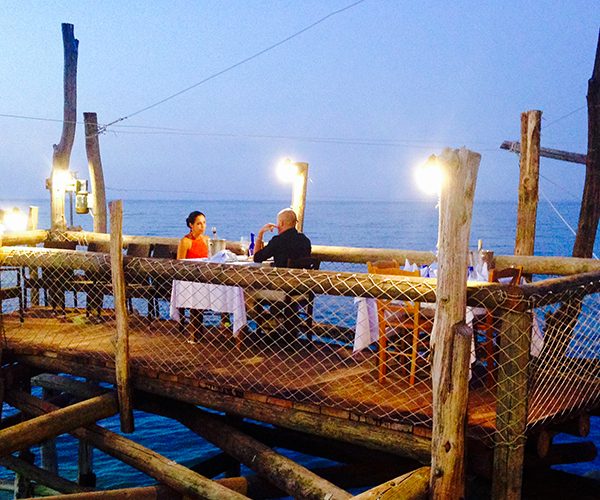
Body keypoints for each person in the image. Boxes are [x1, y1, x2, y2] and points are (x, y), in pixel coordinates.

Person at [177, 210, 209, 343]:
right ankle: (195, 333)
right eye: (199, 224)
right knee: (196, 293)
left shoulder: (207, 240)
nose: (202, 226)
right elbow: (180, 262)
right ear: (191, 225)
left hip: (205, 277)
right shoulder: (185, 241)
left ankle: (226, 326)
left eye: (204, 223)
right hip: (189, 279)